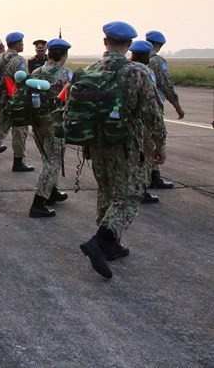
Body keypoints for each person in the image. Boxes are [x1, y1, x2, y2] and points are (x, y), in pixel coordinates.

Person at [77, 22, 166, 279]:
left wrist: (86, 144)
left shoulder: (89, 70)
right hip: (127, 142)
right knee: (131, 193)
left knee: (106, 189)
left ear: (105, 42)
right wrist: (159, 144)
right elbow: (152, 112)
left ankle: (111, 245)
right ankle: (101, 239)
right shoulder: (136, 72)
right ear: (128, 46)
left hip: (96, 142)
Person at [28, 38, 73, 218]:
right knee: (53, 161)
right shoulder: (65, 74)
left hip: (38, 122)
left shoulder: (37, 71)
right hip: (55, 123)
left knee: (47, 158)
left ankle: (51, 191)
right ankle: (38, 203)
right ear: (63, 55)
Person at [0, 31, 35, 173]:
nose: (22, 44)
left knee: (2, 128)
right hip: (16, 100)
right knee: (20, 131)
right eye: (21, 42)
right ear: (16, 44)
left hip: (2, 99)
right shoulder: (19, 60)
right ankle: (18, 161)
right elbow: (21, 81)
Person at [144, 30, 184, 191]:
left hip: (137, 109)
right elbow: (166, 84)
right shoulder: (157, 61)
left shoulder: (137, 58)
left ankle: (151, 176)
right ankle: (152, 177)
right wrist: (177, 105)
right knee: (153, 141)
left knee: (144, 142)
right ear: (159, 45)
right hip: (154, 107)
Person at [128, 40, 163, 205]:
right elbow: (152, 105)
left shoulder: (123, 70)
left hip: (122, 125)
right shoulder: (145, 72)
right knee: (145, 157)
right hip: (141, 124)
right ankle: (141, 190)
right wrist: (160, 141)